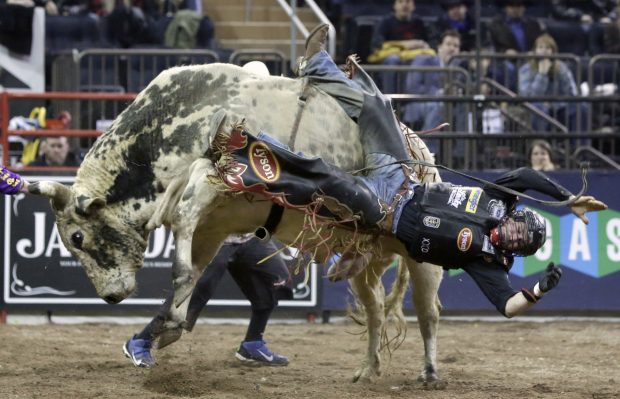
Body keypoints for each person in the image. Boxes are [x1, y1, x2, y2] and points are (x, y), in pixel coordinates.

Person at [271, 24, 607, 317]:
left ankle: (262, 154)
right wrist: (567, 199)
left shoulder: (488, 263)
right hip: (402, 177)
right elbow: (527, 176)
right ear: (515, 218)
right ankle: (317, 63)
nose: (513, 235)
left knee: (326, 177)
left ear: (513, 252)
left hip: (384, 213)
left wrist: (537, 291)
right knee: (378, 106)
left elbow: (507, 307)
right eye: (519, 229)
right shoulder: (498, 201)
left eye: (519, 242)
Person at [122, 235, 292, 368]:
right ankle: (140, 342)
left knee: (275, 280)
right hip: (215, 236)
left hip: (251, 235)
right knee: (195, 290)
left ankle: (252, 344)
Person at [402, 29, 463, 154]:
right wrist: (439, 93)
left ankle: (461, 156)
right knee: (439, 106)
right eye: (448, 44)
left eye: (456, 46)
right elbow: (412, 87)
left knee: (466, 108)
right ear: (439, 47)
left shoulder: (459, 68)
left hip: (449, 107)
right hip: (418, 104)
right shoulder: (424, 60)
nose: (452, 49)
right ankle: (426, 154)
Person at [518, 33, 588, 133]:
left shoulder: (562, 68)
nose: (544, 51)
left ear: (553, 51)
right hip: (535, 109)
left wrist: (553, 105)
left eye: (547, 48)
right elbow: (527, 96)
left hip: (559, 108)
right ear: (535, 50)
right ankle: (541, 145)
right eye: (540, 47)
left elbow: (571, 94)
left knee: (581, 108)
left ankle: (579, 147)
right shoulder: (526, 70)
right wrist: (542, 75)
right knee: (539, 108)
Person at [368, 0, 431, 93]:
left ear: (413, 6)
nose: (404, 5)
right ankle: (389, 101)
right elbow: (376, 45)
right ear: (394, 6)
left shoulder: (419, 23)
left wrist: (424, 45)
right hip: (391, 60)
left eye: (408, 2)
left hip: (413, 58)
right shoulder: (385, 22)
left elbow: (430, 44)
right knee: (393, 59)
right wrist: (404, 45)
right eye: (400, 2)